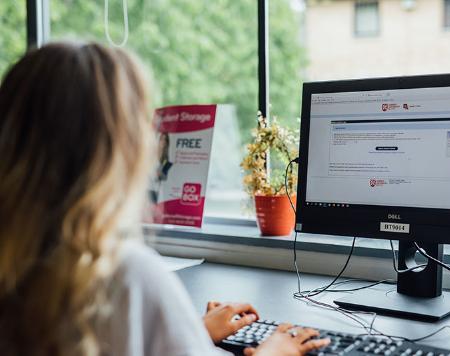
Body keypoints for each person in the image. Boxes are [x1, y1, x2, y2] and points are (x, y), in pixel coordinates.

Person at [0, 42, 330, 356]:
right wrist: (273, 350)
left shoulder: (18, 268)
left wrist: (186, 332)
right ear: (120, 153)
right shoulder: (127, 276)